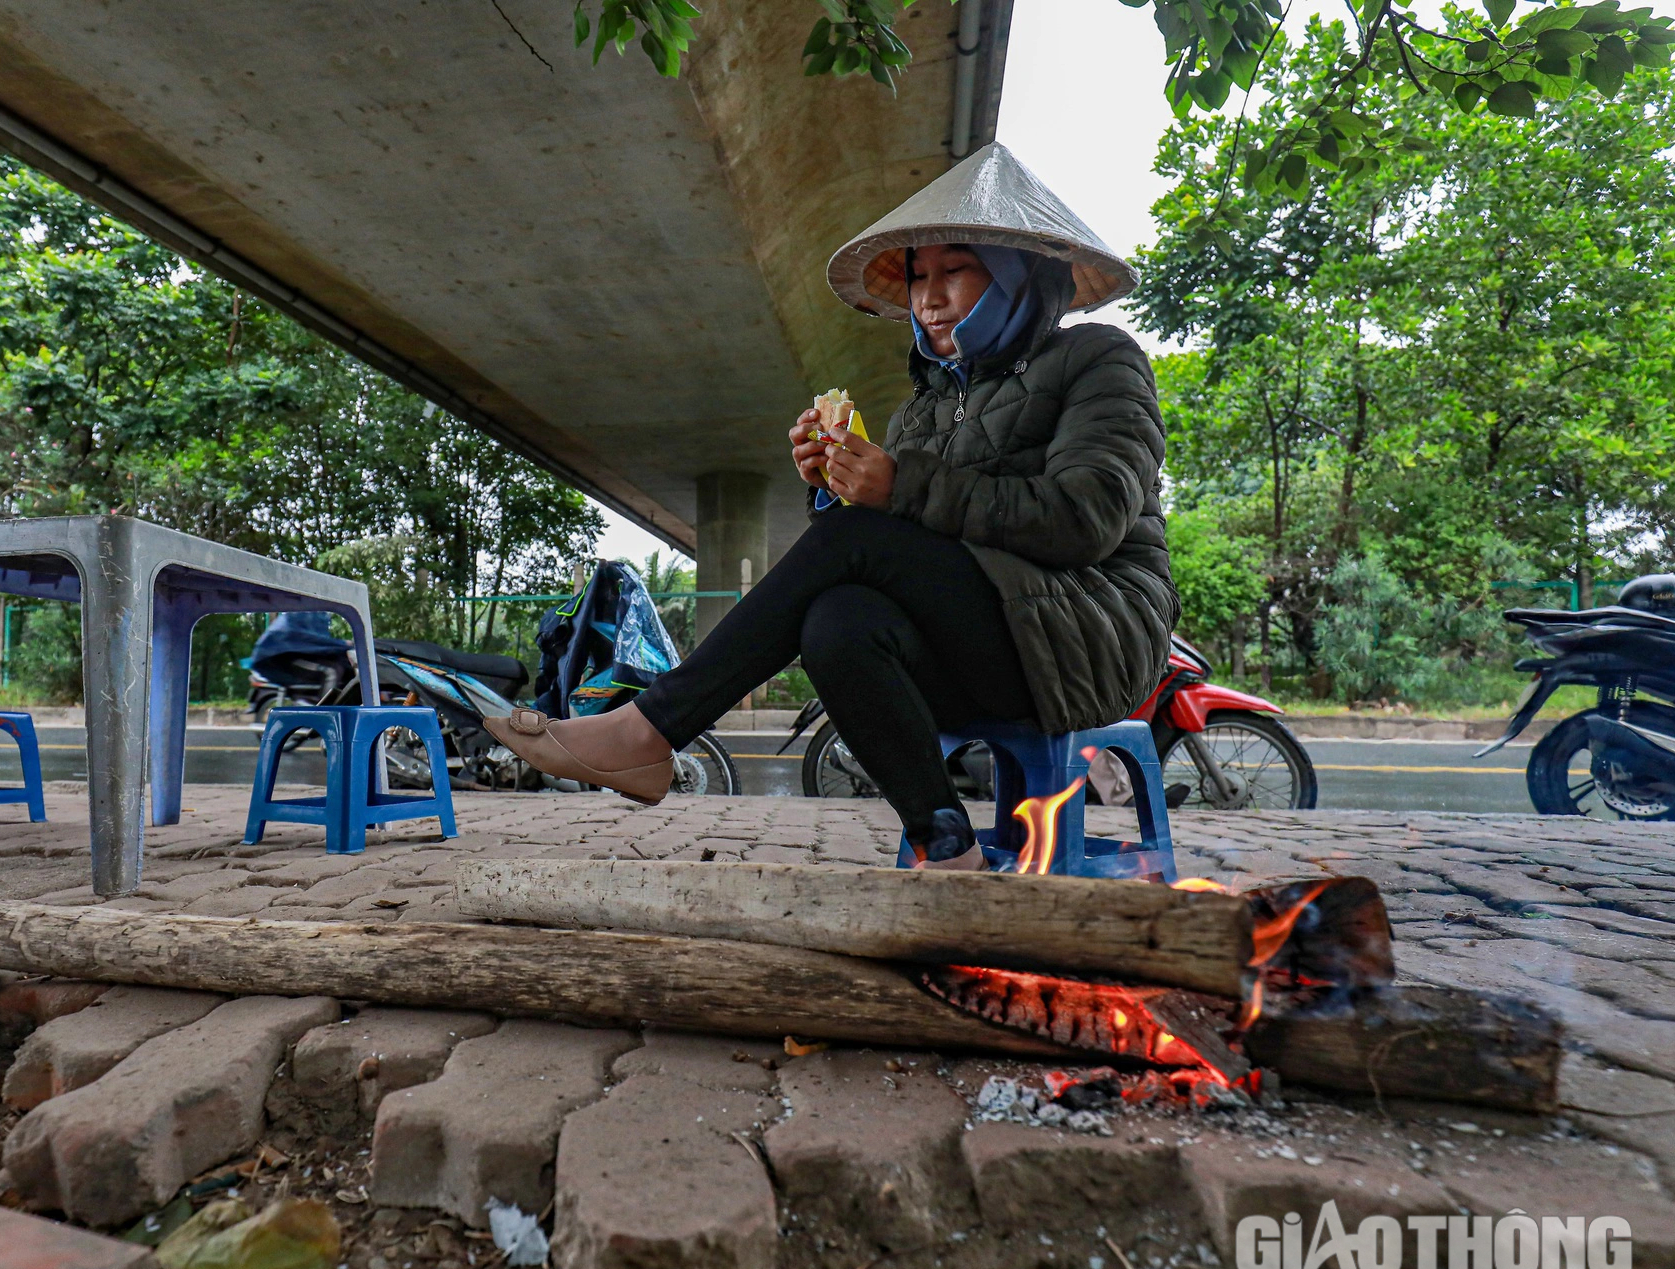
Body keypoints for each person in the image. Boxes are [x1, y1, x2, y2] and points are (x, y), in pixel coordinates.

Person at [483, 144, 1177, 869]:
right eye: (918, 277)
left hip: (1089, 631)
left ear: (1016, 276)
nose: (929, 298)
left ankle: (651, 730)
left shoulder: (1100, 360)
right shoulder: (922, 410)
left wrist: (891, 490)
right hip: (982, 640)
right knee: (836, 619)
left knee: (853, 546)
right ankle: (946, 848)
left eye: (955, 272)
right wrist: (834, 484)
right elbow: (885, 559)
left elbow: (1084, 517)